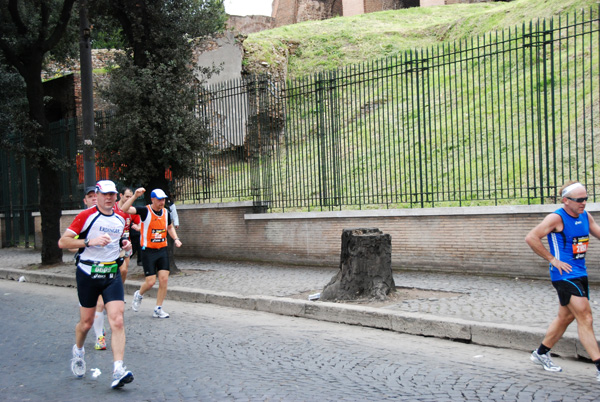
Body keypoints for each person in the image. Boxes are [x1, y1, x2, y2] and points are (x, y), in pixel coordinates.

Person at [58, 180, 134, 389]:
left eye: (112, 195)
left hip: (111, 274)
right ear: (98, 195)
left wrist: (125, 245)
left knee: (117, 320)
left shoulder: (121, 218)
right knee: (86, 323)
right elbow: (63, 242)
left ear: (116, 196)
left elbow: (121, 243)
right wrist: (88, 242)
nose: (109, 198)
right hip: (87, 275)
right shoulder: (85, 216)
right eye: (105, 194)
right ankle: (79, 351)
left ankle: (118, 369)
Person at [525, 180, 600, 379]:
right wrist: (552, 259)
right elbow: (531, 237)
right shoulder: (556, 218)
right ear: (566, 200)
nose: (584, 203)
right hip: (564, 275)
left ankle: (540, 353)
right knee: (585, 317)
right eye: (579, 200)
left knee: (565, 317)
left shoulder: (586, 216)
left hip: (580, 273)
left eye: (586, 198)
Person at [120, 187, 182, 318]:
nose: (162, 202)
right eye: (159, 200)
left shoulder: (166, 212)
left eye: (163, 199)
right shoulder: (144, 210)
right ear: (153, 199)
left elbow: (169, 227)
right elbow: (124, 209)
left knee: (164, 279)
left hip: (162, 250)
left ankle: (158, 308)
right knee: (150, 282)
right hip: (148, 251)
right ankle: (139, 294)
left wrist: (176, 239)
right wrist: (135, 196)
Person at [114, 187, 142, 284]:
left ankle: (120, 289)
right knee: (118, 269)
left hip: (126, 243)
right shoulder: (113, 208)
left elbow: (139, 223)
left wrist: (138, 227)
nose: (129, 199)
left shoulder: (131, 210)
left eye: (131, 197)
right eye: (127, 196)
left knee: (124, 270)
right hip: (114, 243)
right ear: (120, 195)